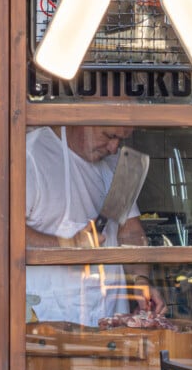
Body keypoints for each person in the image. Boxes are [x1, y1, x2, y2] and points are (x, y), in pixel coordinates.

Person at [26, 125, 166, 326]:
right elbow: (3, 233)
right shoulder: (32, 155)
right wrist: (67, 245)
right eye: (109, 135)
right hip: (52, 321)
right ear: (83, 120)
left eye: (121, 139)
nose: (113, 148)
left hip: (111, 317)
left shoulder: (117, 164)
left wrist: (140, 279)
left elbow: (131, 233)